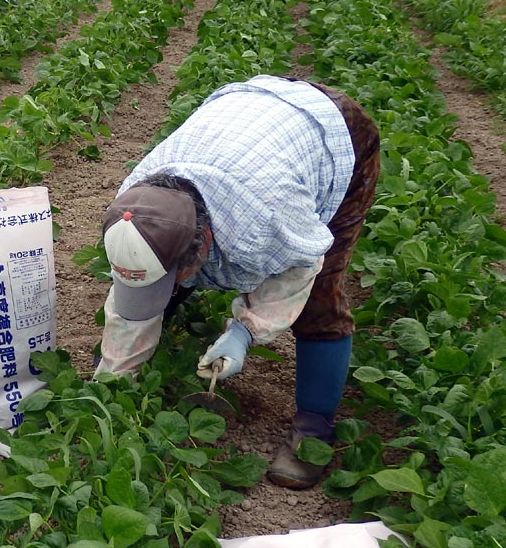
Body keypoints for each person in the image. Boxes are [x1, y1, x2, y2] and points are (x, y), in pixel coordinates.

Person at [95, 75, 380, 489]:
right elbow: (139, 280)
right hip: (246, 115)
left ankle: (315, 427)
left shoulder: (268, 217)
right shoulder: (134, 206)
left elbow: (303, 267)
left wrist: (245, 331)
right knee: (163, 277)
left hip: (335, 135)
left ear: (206, 242)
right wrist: (111, 387)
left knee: (320, 297)